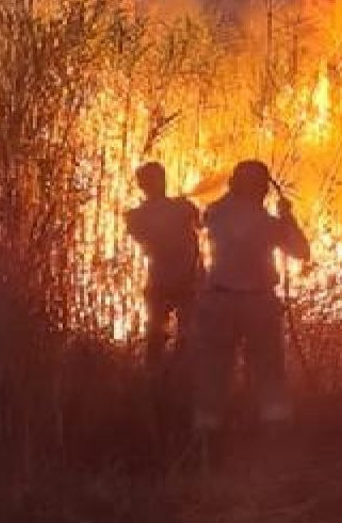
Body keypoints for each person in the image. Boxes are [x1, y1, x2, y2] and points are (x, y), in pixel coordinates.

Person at [193, 160, 310, 436]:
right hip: (259, 305)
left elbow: (207, 215)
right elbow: (301, 251)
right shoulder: (269, 225)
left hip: (219, 302)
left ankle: (206, 440)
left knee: (213, 372)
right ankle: (275, 436)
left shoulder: (215, 215)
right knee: (269, 372)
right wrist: (288, 217)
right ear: (262, 189)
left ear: (234, 185)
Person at [124, 161, 204, 371]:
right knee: (177, 333)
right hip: (178, 281)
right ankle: (169, 376)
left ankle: (163, 376)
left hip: (169, 281)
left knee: (164, 334)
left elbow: (200, 223)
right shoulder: (179, 208)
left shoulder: (139, 215)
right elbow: (201, 224)